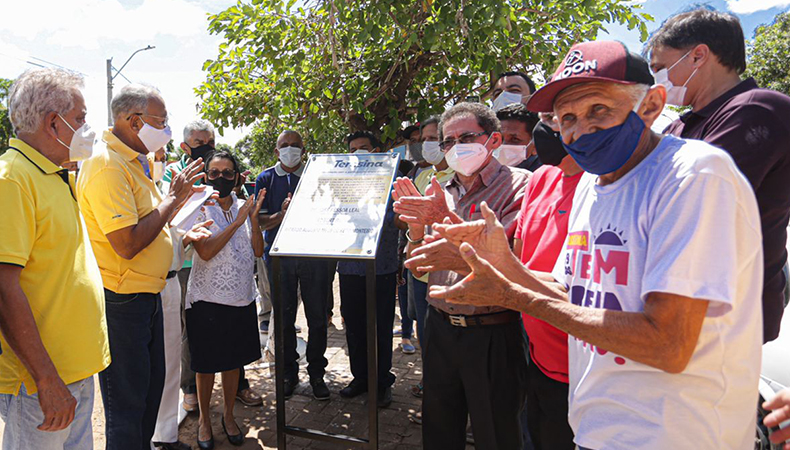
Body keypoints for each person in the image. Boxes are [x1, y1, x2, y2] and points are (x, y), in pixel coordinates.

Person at [429, 40, 763, 450]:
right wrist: (501, 266)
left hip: (678, 435)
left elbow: (668, 343)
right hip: (598, 428)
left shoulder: (693, 175)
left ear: (651, 105)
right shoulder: (593, 183)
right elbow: (571, 291)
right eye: (565, 117)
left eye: (598, 110)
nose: (579, 129)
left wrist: (511, 292)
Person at [646, 8, 790, 343]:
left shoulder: (758, 110)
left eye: (660, 68)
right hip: (677, 302)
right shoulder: (680, 124)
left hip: (729, 315)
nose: (657, 80)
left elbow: (686, 201)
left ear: (698, 56)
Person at [392, 102, 531, 449]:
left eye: (467, 137)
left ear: (493, 139)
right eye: (448, 142)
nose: (456, 147)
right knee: (439, 431)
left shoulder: (521, 187)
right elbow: (418, 264)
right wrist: (415, 230)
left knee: (496, 434)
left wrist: (444, 222)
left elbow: (510, 264)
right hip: (440, 328)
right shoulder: (440, 190)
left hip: (494, 332)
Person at [77, 83, 203, 450]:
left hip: (145, 297)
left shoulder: (135, 162)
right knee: (127, 410)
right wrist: (173, 199)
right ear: (134, 121)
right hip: (123, 301)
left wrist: (172, 205)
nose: (165, 130)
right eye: (160, 122)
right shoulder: (107, 166)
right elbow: (128, 243)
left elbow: (150, 220)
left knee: (147, 400)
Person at [0, 68, 110, 450]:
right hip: (41, 382)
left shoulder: (54, 173)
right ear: (53, 123)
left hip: (72, 371)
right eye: (80, 119)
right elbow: (3, 288)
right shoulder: (12, 180)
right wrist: (46, 380)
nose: (86, 128)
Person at [185, 151, 264, 449]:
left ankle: (228, 415)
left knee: (233, 364)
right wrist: (236, 223)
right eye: (214, 172)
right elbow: (204, 252)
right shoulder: (200, 208)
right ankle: (205, 420)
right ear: (206, 176)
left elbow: (257, 251)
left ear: (238, 177)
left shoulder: (245, 206)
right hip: (207, 298)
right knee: (205, 365)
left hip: (241, 297)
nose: (221, 178)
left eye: (228, 172)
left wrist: (253, 220)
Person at [512, 114, 582, 450]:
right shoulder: (542, 177)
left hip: (577, 365)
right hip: (535, 349)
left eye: (562, 115)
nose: (549, 125)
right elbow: (518, 254)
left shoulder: (601, 185)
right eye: (545, 116)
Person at [254, 130, 331, 400]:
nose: (290, 150)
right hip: (279, 259)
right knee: (284, 318)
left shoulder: (316, 176)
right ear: (276, 151)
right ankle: (288, 373)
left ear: (303, 149)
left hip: (314, 256)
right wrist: (282, 215)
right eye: (284, 146)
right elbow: (260, 222)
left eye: (295, 145)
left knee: (318, 318)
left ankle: (317, 374)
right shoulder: (265, 179)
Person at [338, 130, 399, 408]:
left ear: (376, 152)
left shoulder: (393, 181)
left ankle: (381, 381)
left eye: (364, 147)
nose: (358, 154)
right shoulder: (339, 184)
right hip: (349, 266)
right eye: (352, 150)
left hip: (381, 265)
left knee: (381, 325)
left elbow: (398, 220)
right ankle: (360, 378)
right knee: (353, 324)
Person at [495, 103, 541, 171]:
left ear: (535, 146)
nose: (503, 145)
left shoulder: (544, 177)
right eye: (499, 138)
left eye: (514, 139)